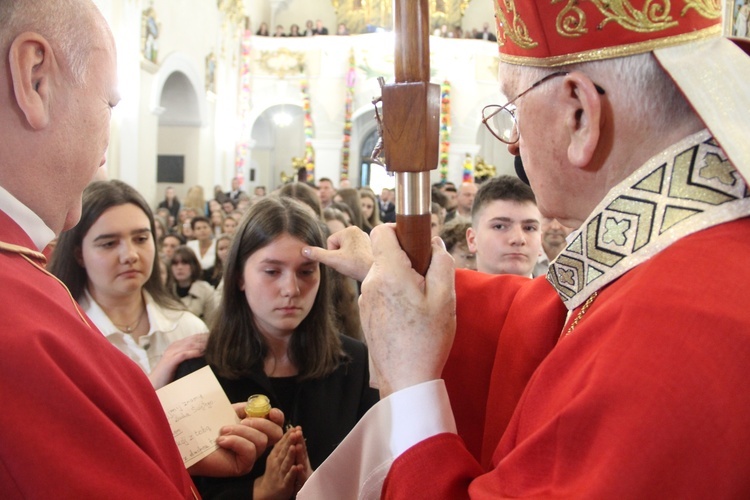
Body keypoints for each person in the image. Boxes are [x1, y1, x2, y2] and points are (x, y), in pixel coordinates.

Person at [298, 0, 750, 496]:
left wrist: (409, 384)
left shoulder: (672, 331)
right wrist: (401, 272)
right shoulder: (694, 253)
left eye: (513, 105)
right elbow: (537, 318)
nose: (512, 144)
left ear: (580, 114)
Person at [0, 2, 282, 495]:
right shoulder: (19, 324)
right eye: (108, 104)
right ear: (35, 78)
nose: (108, 139)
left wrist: (153, 432)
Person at [176, 196, 378, 498]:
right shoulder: (198, 368)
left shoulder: (355, 362)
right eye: (272, 272)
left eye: (306, 271)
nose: (291, 289)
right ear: (239, 277)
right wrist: (258, 491)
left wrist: (317, 489)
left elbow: (374, 473)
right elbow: (186, 487)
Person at [49, 180, 211, 389]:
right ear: (79, 254)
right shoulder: (62, 338)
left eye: (141, 239)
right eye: (109, 243)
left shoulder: (186, 328)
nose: (130, 255)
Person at [466, 175, 542, 276]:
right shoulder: (448, 291)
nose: (518, 239)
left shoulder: (558, 292)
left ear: (541, 241)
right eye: (499, 226)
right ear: (472, 240)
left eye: (529, 228)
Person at [167, 245, 218, 323]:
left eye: (184, 263)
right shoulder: (166, 291)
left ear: (193, 265)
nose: (179, 267)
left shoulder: (205, 291)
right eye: (175, 264)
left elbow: (212, 323)